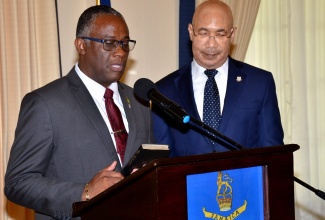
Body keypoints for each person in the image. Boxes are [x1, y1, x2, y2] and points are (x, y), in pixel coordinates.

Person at [4, 5, 154, 220]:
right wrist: (84, 192)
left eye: (124, 43)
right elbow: (18, 182)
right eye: (109, 43)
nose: (120, 52)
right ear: (81, 45)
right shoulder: (45, 103)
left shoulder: (139, 100)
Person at [152, 0, 284, 157]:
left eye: (220, 34)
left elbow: (274, 154)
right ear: (190, 32)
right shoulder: (164, 91)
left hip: (245, 181)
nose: (211, 44)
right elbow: (162, 160)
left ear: (232, 34)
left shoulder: (260, 83)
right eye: (203, 33)